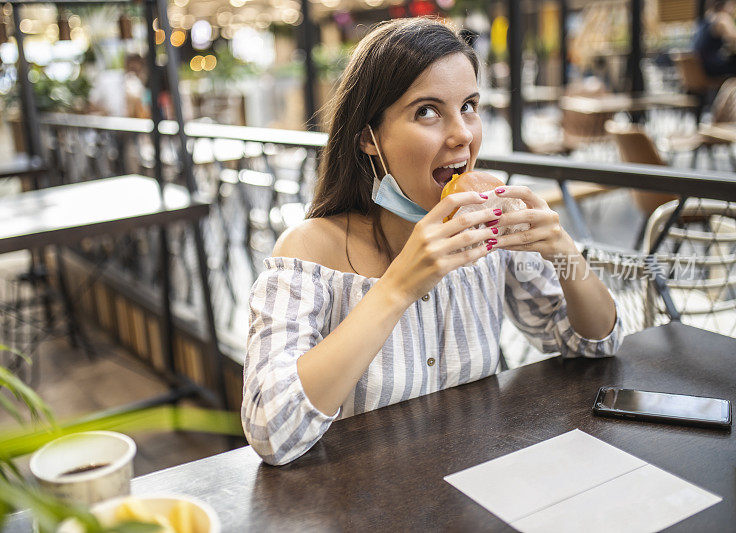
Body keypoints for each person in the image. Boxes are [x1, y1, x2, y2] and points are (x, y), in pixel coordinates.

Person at [242, 18, 622, 466]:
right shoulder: (306, 253)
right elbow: (273, 431)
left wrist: (564, 253)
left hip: (479, 485)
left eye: (469, 105)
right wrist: (399, 286)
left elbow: (594, 344)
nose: (462, 133)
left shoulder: (487, 222)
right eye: (427, 110)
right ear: (368, 137)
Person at [693, 0, 736, 77]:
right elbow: (734, 37)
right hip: (712, 67)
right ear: (724, 5)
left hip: (701, 67)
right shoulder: (721, 18)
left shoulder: (707, 17)